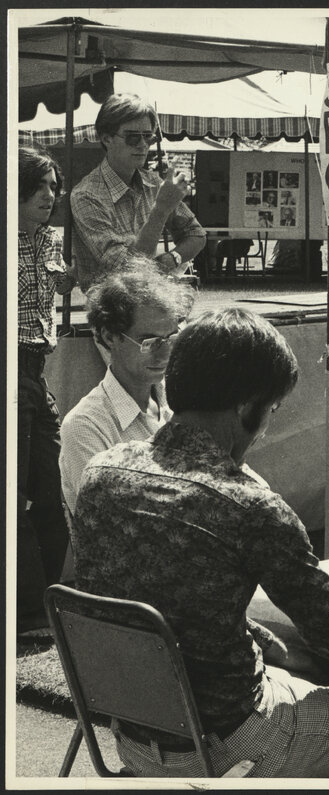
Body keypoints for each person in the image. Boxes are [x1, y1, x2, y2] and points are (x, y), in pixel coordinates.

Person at [71, 308, 329, 777]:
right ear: (246, 406)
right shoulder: (249, 505)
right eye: (272, 410)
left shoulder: (101, 474)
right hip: (232, 744)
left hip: (133, 738)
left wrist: (260, 640)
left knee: (305, 678)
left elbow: (144, 600)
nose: (267, 426)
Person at [60, 261, 195, 518]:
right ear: (110, 336)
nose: (165, 354)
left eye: (171, 339)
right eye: (150, 342)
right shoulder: (85, 426)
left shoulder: (181, 401)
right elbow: (112, 526)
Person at [16, 143, 76, 633]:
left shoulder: (48, 240)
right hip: (12, 369)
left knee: (50, 490)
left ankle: (49, 603)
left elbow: (59, 288)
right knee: (15, 494)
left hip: (36, 370)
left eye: (53, 187)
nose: (48, 195)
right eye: (38, 186)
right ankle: (26, 609)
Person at [71, 93, 206, 292]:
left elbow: (197, 234)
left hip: (152, 303)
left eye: (148, 137)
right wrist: (160, 211)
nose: (143, 145)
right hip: (112, 313)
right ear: (106, 138)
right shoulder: (87, 196)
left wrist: (171, 259)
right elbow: (128, 270)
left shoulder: (153, 183)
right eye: (133, 137)